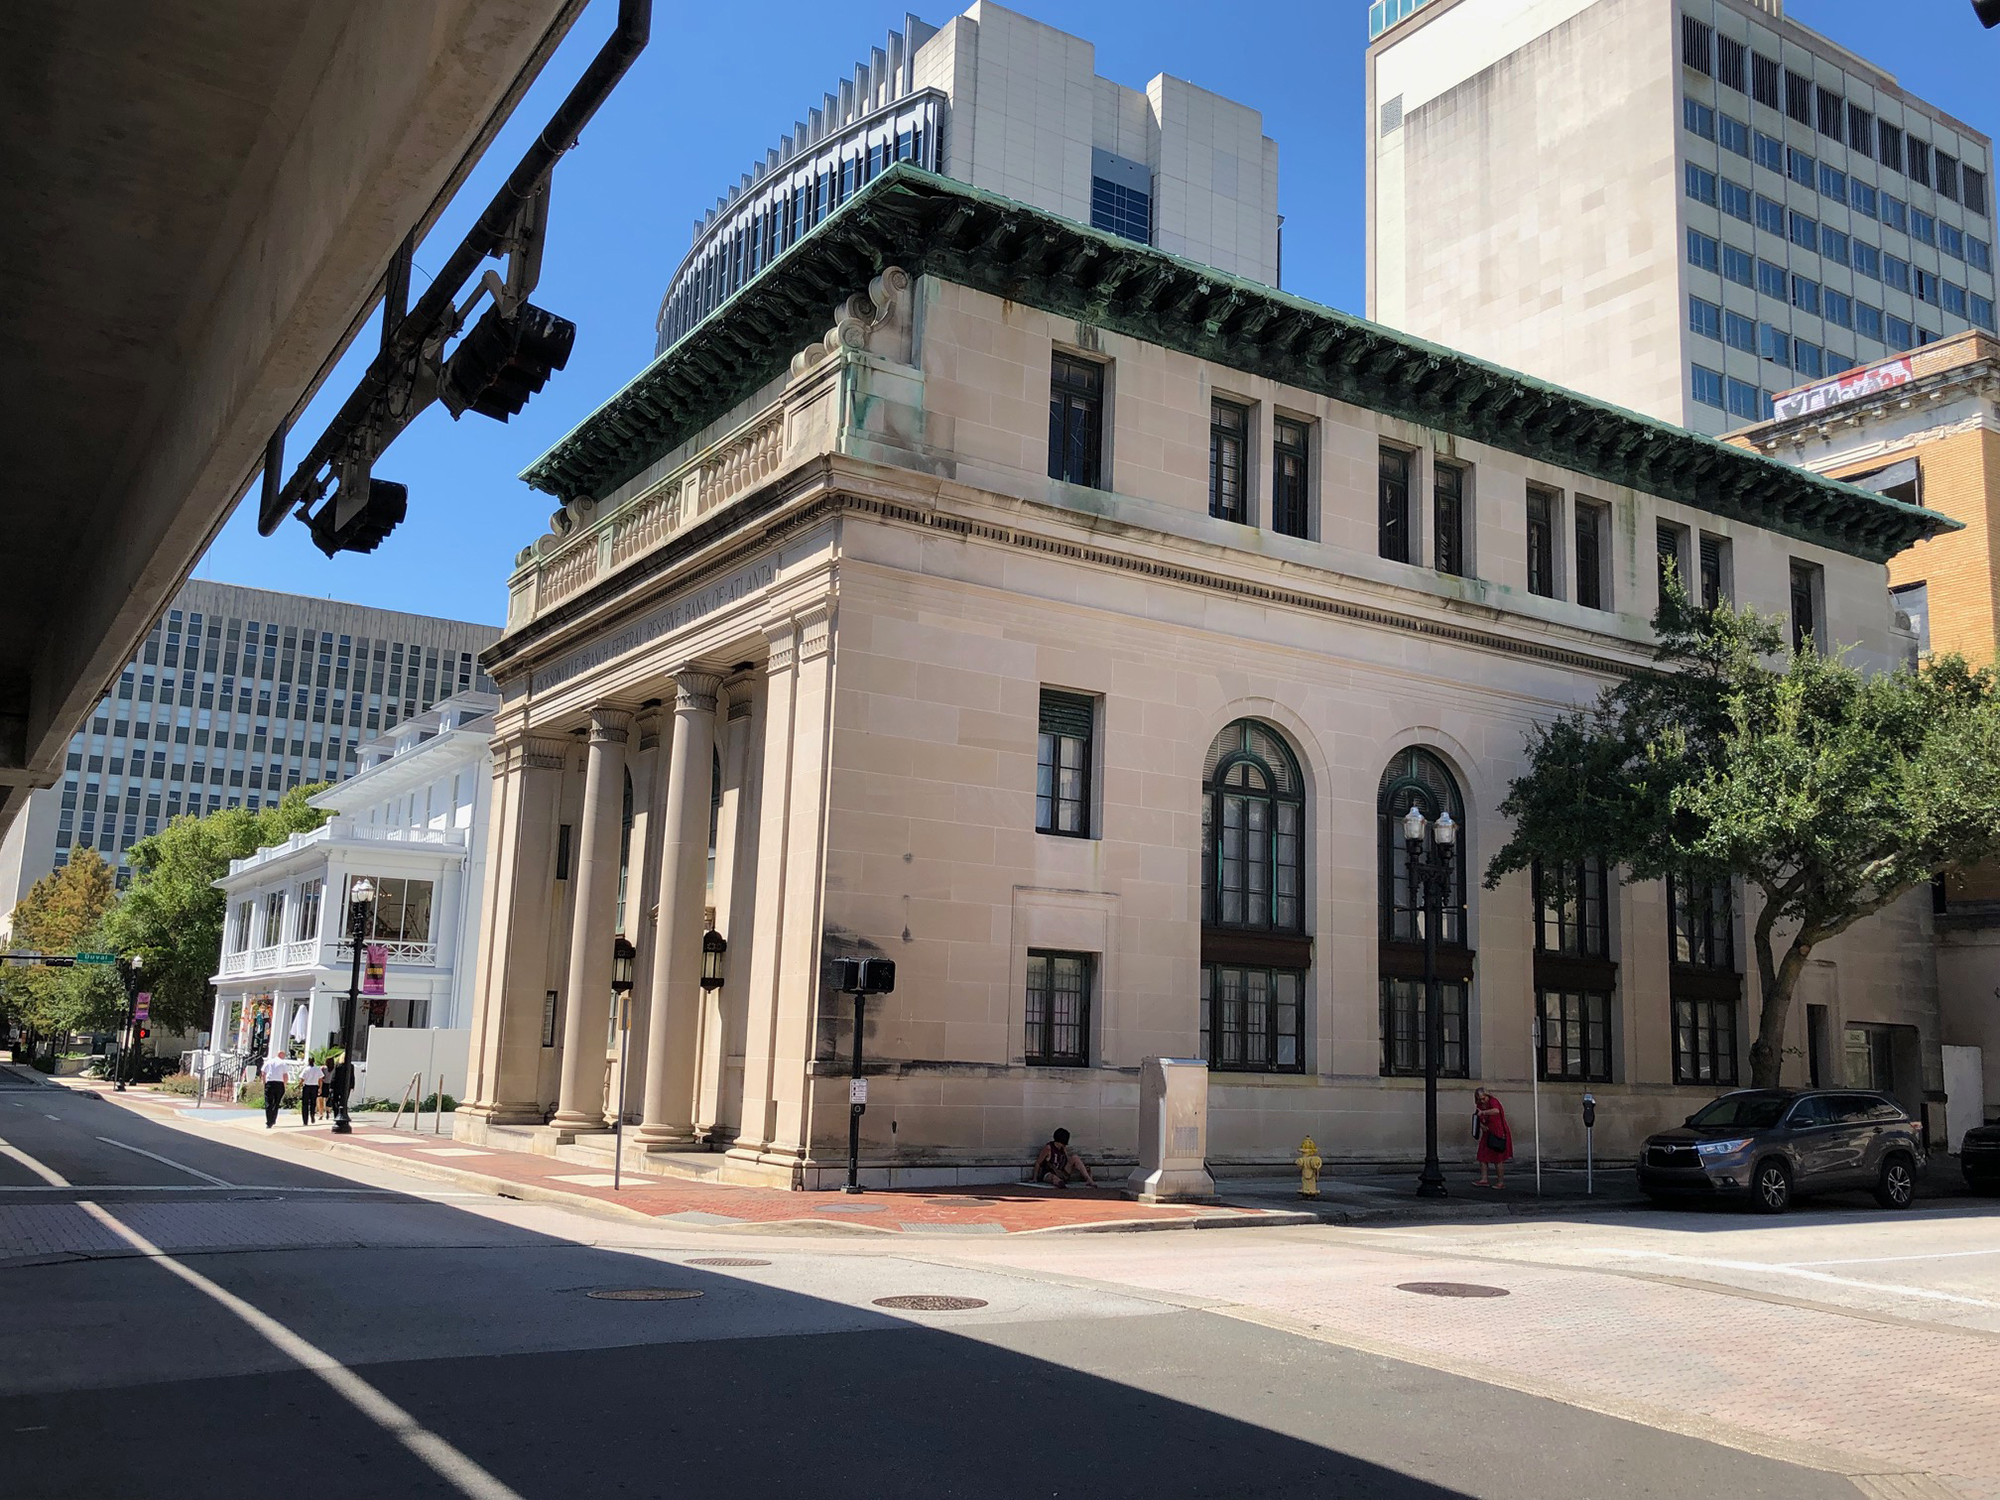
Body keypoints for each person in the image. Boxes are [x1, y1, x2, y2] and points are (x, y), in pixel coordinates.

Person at [1473, 1087, 1513, 1188]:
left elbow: (1496, 1111)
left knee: (1497, 1158)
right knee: (1482, 1156)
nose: (1482, 1101)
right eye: (1479, 1099)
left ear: (1487, 1096)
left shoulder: (1493, 1101)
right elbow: (1477, 1117)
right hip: (1487, 1131)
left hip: (1497, 1131)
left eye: (1483, 1098)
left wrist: (1484, 1112)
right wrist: (1481, 1125)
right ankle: (1484, 1179)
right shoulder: (1479, 1105)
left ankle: (1500, 1182)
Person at [1031, 1128, 1097, 1188]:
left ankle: (1088, 1179)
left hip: (1061, 1172)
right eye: (1061, 1144)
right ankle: (1059, 1183)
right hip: (1050, 1173)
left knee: (1075, 1157)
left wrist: (1080, 1168)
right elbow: (1038, 1163)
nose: (1062, 1146)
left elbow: (1067, 1160)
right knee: (1054, 1178)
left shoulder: (1063, 1148)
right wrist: (1035, 1178)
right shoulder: (1048, 1148)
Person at [261, 1050, 293, 1129]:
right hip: (279, 1083)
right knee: (276, 1103)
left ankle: (269, 1121)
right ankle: (273, 1119)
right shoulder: (283, 1063)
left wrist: (264, 1083)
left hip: (270, 1083)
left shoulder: (269, 1062)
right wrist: (284, 1084)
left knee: (268, 1102)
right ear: (281, 1055)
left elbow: (263, 1073)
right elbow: (285, 1075)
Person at [299, 1056, 324, 1126]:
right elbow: (320, 1079)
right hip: (314, 1087)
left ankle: (305, 1120)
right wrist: (320, 1088)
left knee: (305, 1104)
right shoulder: (317, 1069)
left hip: (307, 1086)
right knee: (313, 1103)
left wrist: (300, 1085)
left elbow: (302, 1079)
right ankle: (312, 1114)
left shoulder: (306, 1069)